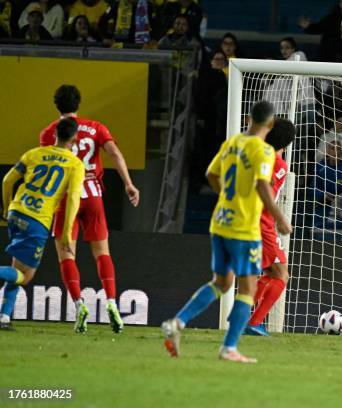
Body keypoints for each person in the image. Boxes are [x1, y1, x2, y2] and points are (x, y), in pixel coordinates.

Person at [162, 101, 293, 363]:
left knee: (222, 282)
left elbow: (211, 175)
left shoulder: (232, 143)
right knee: (247, 287)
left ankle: (178, 322)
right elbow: (262, 187)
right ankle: (230, 347)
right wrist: (279, 218)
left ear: (249, 119)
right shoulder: (265, 152)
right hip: (245, 226)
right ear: (269, 124)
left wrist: (228, 196)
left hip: (221, 221)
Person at [39, 85, 140, 333]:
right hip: (93, 192)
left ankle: (79, 305)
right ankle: (112, 304)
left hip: (65, 197)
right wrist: (128, 183)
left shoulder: (50, 132)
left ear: (57, 104)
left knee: (67, 254)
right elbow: (114, 153)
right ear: (78, 103)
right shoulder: (96, 127)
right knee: (102, 253)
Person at [0, 118, 85, 330]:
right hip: (37, 220)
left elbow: (7, 181)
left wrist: (6, 207)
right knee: (26, 276)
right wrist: (66, 233)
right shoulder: (75, 164)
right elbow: (74, 198)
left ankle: (3, 317)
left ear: (55, 134)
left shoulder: (34, 153)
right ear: (75, 139)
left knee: (16, 267)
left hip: (16, 211)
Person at [245, 118, 296, 336]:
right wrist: (281, 219)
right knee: (282, 274)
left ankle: (243, 318)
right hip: (262, 224)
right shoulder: (278, 164)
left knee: (270, 273)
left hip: (250, 220)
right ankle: (253, 322)